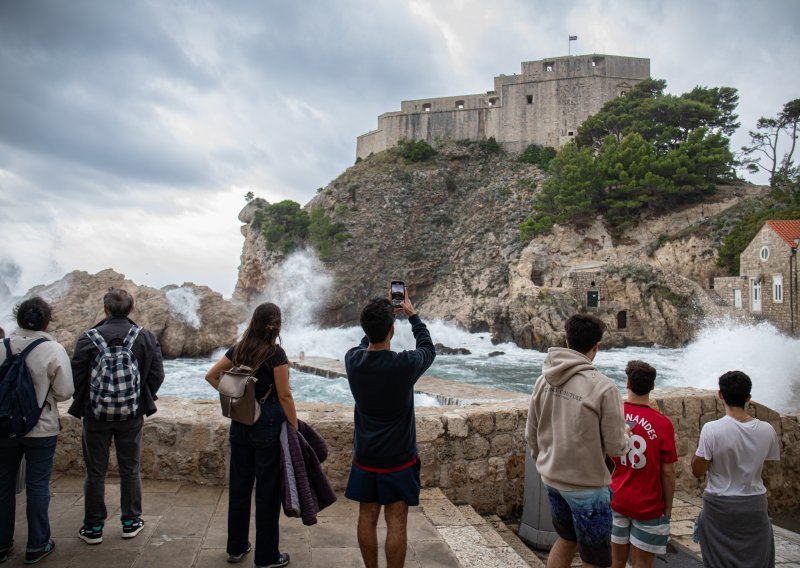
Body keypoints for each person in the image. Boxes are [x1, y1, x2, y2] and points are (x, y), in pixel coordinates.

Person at [526, 314, 629, 568]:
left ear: (566, 340)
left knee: (566, 538)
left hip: (552, 480)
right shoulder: (604, 388)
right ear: (596, 347)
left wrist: (542, 461)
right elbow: (616, 446)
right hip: (587, 488)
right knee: (594, 559)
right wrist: (627, 435)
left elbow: (532, 431)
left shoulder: (544, 379)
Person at [344, 291, 435, 568]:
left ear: (364, 329)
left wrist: (379, 323)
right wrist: (412, 314)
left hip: (366, 457)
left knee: (366, 516)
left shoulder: (352, 360)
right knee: (396, 520)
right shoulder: (403, 365)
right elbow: (428, 349)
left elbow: (366, 341)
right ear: (392, 331)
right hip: (399, 459)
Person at [69, 288, 164, 545]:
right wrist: (140, 396)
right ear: (132, 308)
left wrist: (90, 401)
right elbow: (157, 375)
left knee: (95, 472)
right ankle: (131, 521)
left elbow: (75, 378)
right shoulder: (144, 337)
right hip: (131, 414)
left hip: (95, 415)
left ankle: (93, 527)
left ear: (105, 309)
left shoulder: (88, 338)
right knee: (130, 468)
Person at [205, 302, 296, 568]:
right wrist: (295, 426)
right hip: (267, 424)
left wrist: (239, 396)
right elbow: (285, 395)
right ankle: (267, 557)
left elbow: (212, 376)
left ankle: (236, 548)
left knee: (240, 488)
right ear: (276, 325)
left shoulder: (240, 348)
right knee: (267, 493)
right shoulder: (276, 354)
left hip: (240, 422)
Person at [0, 297, 74, 564]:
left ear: (17, 319)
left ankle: (2, 543)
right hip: (41, 427)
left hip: (4, 426)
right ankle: (37, 544)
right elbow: (65, 391)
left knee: (3, 485)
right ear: (46, 320)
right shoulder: (52, 349)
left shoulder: (1, 347)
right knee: (38, 486)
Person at [692, 371, 780, 568]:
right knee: (756, 559)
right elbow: (763, 465)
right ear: (748, 398)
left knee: (718, 560)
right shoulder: (767, 430)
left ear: (720, 395)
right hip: (754, 506)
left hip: (720, 506)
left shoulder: (712, 429)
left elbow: (698, 470)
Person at [610, 361, 677, 568]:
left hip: (616, 499)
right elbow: (668, 471)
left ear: (627, 383)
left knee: (615, 562)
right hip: (648, 505)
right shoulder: (663, 423)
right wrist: (668, 506)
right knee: (643, 564)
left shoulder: (613, 415)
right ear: (653, 387)